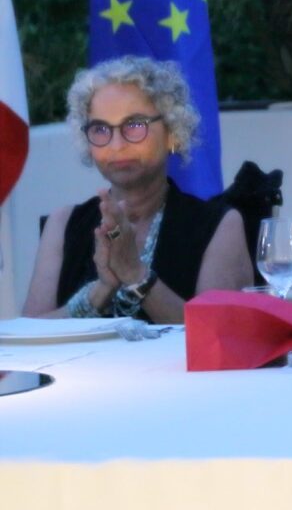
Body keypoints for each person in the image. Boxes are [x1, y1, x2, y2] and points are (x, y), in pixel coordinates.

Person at [23, 57, 253, 323]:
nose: (117, 144)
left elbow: (217, 337)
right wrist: (98, 293)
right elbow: (29, 340)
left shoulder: (219, 225)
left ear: (172, 132)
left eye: (134, 125)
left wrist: (136, 275)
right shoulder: (63, 223)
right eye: (100, 129)